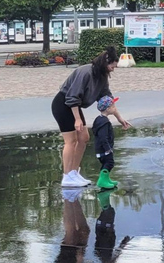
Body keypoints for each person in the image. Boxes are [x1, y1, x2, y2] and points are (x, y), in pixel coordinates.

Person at [51, 46, 130, 188]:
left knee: (84, 138)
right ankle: (67, 176)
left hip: (74, 106)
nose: (113, 69)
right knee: (71, 140)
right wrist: (77, 119)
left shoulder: (102, 76)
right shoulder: (85, 72)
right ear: (105, 64)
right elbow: (72, 96)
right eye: (112, 66)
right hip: (63, 105)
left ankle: (74, 172)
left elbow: (107, 97)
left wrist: (119, 118)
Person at [93, 95, 121, 189]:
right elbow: (103, 137)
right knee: (109, 163)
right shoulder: (104, 122)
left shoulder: (99, 119)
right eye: (113, 106)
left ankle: (106, 179)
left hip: (102, 148)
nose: (115, 108)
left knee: (106, 163)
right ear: (108, 109)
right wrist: (108, 148)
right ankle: (102, 181)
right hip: (104, 149)